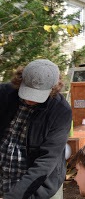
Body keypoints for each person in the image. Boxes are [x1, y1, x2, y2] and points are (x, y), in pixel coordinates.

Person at [0, 59, 72, 198]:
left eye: (37, 95)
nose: (30, 100)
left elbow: (46, 161)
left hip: (38, 187)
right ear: (20, 80)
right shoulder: (4, 94)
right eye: (27, 92)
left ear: (53, 89)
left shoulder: (60, 111)